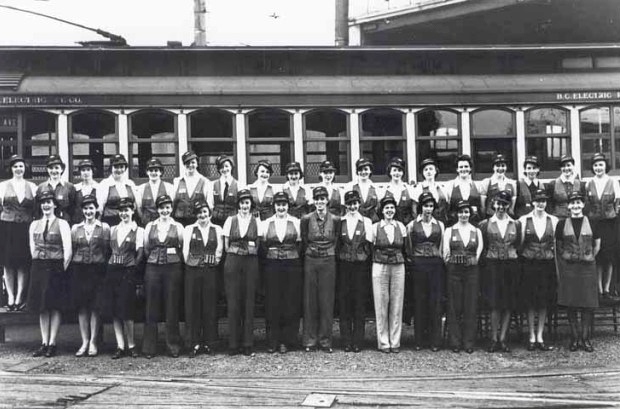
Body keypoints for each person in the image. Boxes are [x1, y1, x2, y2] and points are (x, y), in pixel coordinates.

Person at [27, 190, 72, 358]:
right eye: (43, 201)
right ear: (40, 205)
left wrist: (61, 269)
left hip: (56, 268)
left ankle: (52, 343)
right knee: (42, 307)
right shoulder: (34, 225)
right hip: (39, 266)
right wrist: (40, 261)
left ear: (54, 204)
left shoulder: (62, 224)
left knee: (54, 306)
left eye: (49, 201)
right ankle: (44, 342)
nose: (46, 204)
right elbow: (32, 248)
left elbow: (68, 251)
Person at [98, 197, 144, 359]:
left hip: (128, 272)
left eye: (127, 210)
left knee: (127, 310)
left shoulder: (139, 230)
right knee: (114, 310)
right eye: (121, 210)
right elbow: (107, 251)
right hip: (113, 272)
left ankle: (131, 345)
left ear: (132, 211)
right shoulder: (113, 229)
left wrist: (132, 270)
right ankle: (120, 345)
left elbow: (140, 254)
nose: (124, 213)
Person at [556, 191, 600, 352]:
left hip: (588, 268)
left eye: (578, 202)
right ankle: (574, 338)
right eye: (572, 203)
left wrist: (588, 257)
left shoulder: (593, 222)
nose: (575, 205)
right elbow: (559, 246)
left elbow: (598, 245)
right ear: (568, 205)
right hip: (569, 268)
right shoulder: (561, 224)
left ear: (583, 204)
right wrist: (568, 258)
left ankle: (585, 339)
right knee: (571, 304)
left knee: (587, 304)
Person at [142, 194, 185, 358]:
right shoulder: (150, 226)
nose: (165, 210)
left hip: (173, 268)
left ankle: (173, 346)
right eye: (162, 207)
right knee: (151, 306)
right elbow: (146, 248)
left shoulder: (178, 226)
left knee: (171, 305)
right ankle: (149, 347)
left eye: (167, 207)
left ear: (171, 209)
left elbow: (181, 246)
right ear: (157, 209)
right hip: (153, 267)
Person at [479, 191, 520, 353]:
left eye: (504, 204)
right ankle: (493, 338)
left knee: (507, 304)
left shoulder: (515, 224)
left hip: (510, 265)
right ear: (493, 204)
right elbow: (483, 246)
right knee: (495, 304)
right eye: (498, 203)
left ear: (509, 205)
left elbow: (519, 243)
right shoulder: (485, 224)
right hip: (493, 265)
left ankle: (503, 339)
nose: (501, 207)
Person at [261, 191, 302, 354]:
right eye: (278, 205)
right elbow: (262, 245)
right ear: (274, 206)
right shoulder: (266, 223)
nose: (281, 207)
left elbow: (300, 244)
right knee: (273, 302)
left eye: (284, 204)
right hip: (272, 266)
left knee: (290, 302)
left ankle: (287, 340)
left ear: (288, 206)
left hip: (291, 265)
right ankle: (272, 340)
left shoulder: (296, 222)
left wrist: (290, 256)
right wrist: (273, 257)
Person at [70, 195, 111, 357]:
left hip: (97, 270)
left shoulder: (104, 227)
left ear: (96, 209)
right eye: (86, 208)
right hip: (80, 270)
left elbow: (107, 250)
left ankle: (94, 341)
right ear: (82, 210)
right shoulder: (75, 228)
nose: (89, 211)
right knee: (82, 307)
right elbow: (73, 250)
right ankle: (84, 341)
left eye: (91, 208)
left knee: (95, 307)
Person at [301, 186, 340, 353]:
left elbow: (337, 240)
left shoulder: (336, 219)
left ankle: (325, 341)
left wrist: (328, 252)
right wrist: (312, 251)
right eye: (317, 199)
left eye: (322, 199)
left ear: (327, 201)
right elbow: (304, 239)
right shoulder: (306, 219)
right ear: (314, 201)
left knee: (326, 300)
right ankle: (310, 340)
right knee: (310, 300)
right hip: (311, 259)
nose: (320, 202)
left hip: (328, 260)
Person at [222, 189, 261, 356]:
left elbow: (258, 242)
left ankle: (247, 343)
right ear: (238, 204)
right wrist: (236, 253)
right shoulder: (230, 220)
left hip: (251, 262)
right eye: (242, 202)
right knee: (233, 301)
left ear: (250, 204)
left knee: (248, 301)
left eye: (247, 203)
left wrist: (248, 253)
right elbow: (225, 243)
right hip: (233, 261)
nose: (245, 206)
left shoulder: (256, 220)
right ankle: (233, 343)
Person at [182, 199, 223, 357]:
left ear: (209, 213)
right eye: (199, 213)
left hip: (210, 271)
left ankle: (210, 343)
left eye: (204, 212)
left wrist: (210, 263)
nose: (202, 215)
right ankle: (194, 343)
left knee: (210, 306)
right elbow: (185, 252)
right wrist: (194, 263)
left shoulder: (217, 229)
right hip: (193, 271)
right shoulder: (189, 229)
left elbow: (219, 251)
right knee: (193, 307)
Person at [518, 189, 558, 351]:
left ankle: (540, 335)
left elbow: (555, 244)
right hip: (529, 264)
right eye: (538, 200)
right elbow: (520, 244)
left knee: (543, 301)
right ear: (532, 202)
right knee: (530, 301)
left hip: (546, 264)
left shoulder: (553, 220)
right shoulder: (523, 220)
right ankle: (531, 335)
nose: (540, 203)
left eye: (543, 200)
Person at [442, 200, 483, 354]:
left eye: (466, 212)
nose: (463, 215)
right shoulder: (449, 231)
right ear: (456, 214)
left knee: (470, 306)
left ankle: (468, 342)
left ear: (470, 214)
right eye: (461, 212)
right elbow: (445, 253)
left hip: (471, 271)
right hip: (454, 270)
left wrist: (470, 262)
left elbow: (478, 252)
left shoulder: (476, 231)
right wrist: (454, 265)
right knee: (454, 306)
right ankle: (455, 341)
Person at [406, 191, 445, 352]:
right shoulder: (411, 225)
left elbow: (442, 246)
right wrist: (414, 260)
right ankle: (419, 340)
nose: (428, 209)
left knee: (435, 302)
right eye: (425, 206)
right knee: (420, 301)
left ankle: (435, 340)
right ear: (420, 207)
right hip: (419, 265)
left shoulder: (440, 225)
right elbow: (408, 247)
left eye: (430, 206)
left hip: (435, 265)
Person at [0, 155, 37, 311]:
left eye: (21, 166)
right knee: (8, 263)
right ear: (11, 169)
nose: (18, 169)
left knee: (23, 263)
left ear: (25, 168)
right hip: (7, 227)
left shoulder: (32, 186)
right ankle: (10, 296)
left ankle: (20, 297)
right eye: (15, 166)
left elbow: (35, 209)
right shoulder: (2, 186)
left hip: (25, 228)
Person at [338, 190, 373, 353]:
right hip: (344, 266)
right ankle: (346, 340)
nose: (352, 206)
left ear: (359, 204)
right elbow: (338, 243)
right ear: (346, 205)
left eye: (355, 203)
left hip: (360, 267)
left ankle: (358, 341)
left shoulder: (366, 221)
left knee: (359, 302)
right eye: (350, 203)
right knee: (345, 303)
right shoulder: (341, 221)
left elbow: (369, 245)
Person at [371, 196, 407, 353]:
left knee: (397, 303)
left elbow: (405, 247)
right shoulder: (375, 227)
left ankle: (395, 341)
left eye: (392, 208)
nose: (389, 211)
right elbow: (370, 247)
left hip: (398, 266)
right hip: (380, 265)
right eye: (387, 208)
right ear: (382, 211)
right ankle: (384, 342)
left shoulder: (401, 226)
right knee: (381, 303)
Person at [584, 153, 620, 300]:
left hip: (610, 223)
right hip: (594, 223)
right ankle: (598, 289)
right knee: (597, 256)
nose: (598, 168)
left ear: (606, 166)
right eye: (595, 165)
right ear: (593, 167)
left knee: (609, 256)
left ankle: (607, 289)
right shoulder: (588, 183)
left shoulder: (613, 182)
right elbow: (586, 204)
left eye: (601, 164)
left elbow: (618, 203)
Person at [97, 154, 136, 226]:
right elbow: (100, 208)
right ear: (111, 168)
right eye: (116, 167)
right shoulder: (105, 184)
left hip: (129, 222)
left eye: (122, 167)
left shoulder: (130, 184)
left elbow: (136, 205)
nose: (119, 170)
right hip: (111, 222)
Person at [36, 155, 76, 223]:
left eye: (56, 168)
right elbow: (38, 210)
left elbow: (73, 209)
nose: (54, 171)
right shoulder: (41, 187)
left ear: (62, 169)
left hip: (64, 222)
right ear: (47, 170)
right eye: (51, 168)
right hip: (46, 222)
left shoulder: (69, 187)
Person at [173, 151, 209, 226]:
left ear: (197, 164)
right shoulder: (177, 181)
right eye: (187, 163)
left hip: (198, 221)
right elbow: (173, 203)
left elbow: (209, 205)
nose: (190, 165)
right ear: (184, 164)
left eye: (193, 162)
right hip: (180, 221)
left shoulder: (205, 181)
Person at [445, 154, 483, 226]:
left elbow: (480, 208)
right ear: (457, 169)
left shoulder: (477, 186)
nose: (463, 169)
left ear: (470, 168)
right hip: (454, 225)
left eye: (466, 166)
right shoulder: (450, 186)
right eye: (461, 167)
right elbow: (447, 209)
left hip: (473, 225)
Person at [135, 158, 174, 227]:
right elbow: (139, 208)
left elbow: (171, 206)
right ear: (147, 172)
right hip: (146, 223)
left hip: (164, 222)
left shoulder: (169, 187)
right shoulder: (141, 188)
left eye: (156, 170)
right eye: (151, 170)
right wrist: (144, 218)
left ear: (161, 172)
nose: (153, 173)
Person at [546, 155, 585, 220]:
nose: (566, 168)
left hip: (576, 219)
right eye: (563, 166)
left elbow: (584, 203)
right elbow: (549, 205)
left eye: (568, 165)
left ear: (573, 166)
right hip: (558, 219)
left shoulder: (580, 184)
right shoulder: (553, 184)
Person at [379, 157, 415, 227]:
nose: (397, 173)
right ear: (390, 172)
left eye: (399, 170)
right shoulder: (383, 190)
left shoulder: (409, 189)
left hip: (406, 226)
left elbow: (414, 212)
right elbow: (380, 211)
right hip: (389, 226)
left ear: (403, 172)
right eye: (394, 170)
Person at [412, 158, 449, 224]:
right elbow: (415, 211)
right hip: (425, 225)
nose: (428, 171)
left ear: (435, 171)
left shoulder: (443, 188)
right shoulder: (418, 189)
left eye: (431, 169)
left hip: (443, 224)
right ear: (423, 173)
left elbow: (447, 207)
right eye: (426, 170)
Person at [480, 154, 517, 218]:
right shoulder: (486, 182)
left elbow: (512, 206)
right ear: (493, 167)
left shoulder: (512, 183)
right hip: (490, 217)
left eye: (503, 166)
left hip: (506, 217)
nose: (500, 168)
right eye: (497, 166)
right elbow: (483, 206)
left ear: (506, 167)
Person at [207, 155, 239, 227]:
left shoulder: (239, 185)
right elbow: (210, 204)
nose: (224, 169)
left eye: (226, 166)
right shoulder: (212, 185)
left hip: (233, 221)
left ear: (231, 167)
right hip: (216, 221)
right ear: (218, 169)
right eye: (221, 167)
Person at [347, 158, 379, 222]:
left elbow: (378, 208)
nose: (363, 172)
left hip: (373, 222)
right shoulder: (350, 186)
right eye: (360, 170)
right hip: (355, 221)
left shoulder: (376, 187)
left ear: (370, 171)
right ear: (357, 171)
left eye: (366, 169)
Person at [72, 159, 99, 224]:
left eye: (88, 170)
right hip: (78, 223)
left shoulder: (99, 188)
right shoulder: (75, 188)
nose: (86, 172)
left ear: (93, 171)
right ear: (80, 172)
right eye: (83, 170)